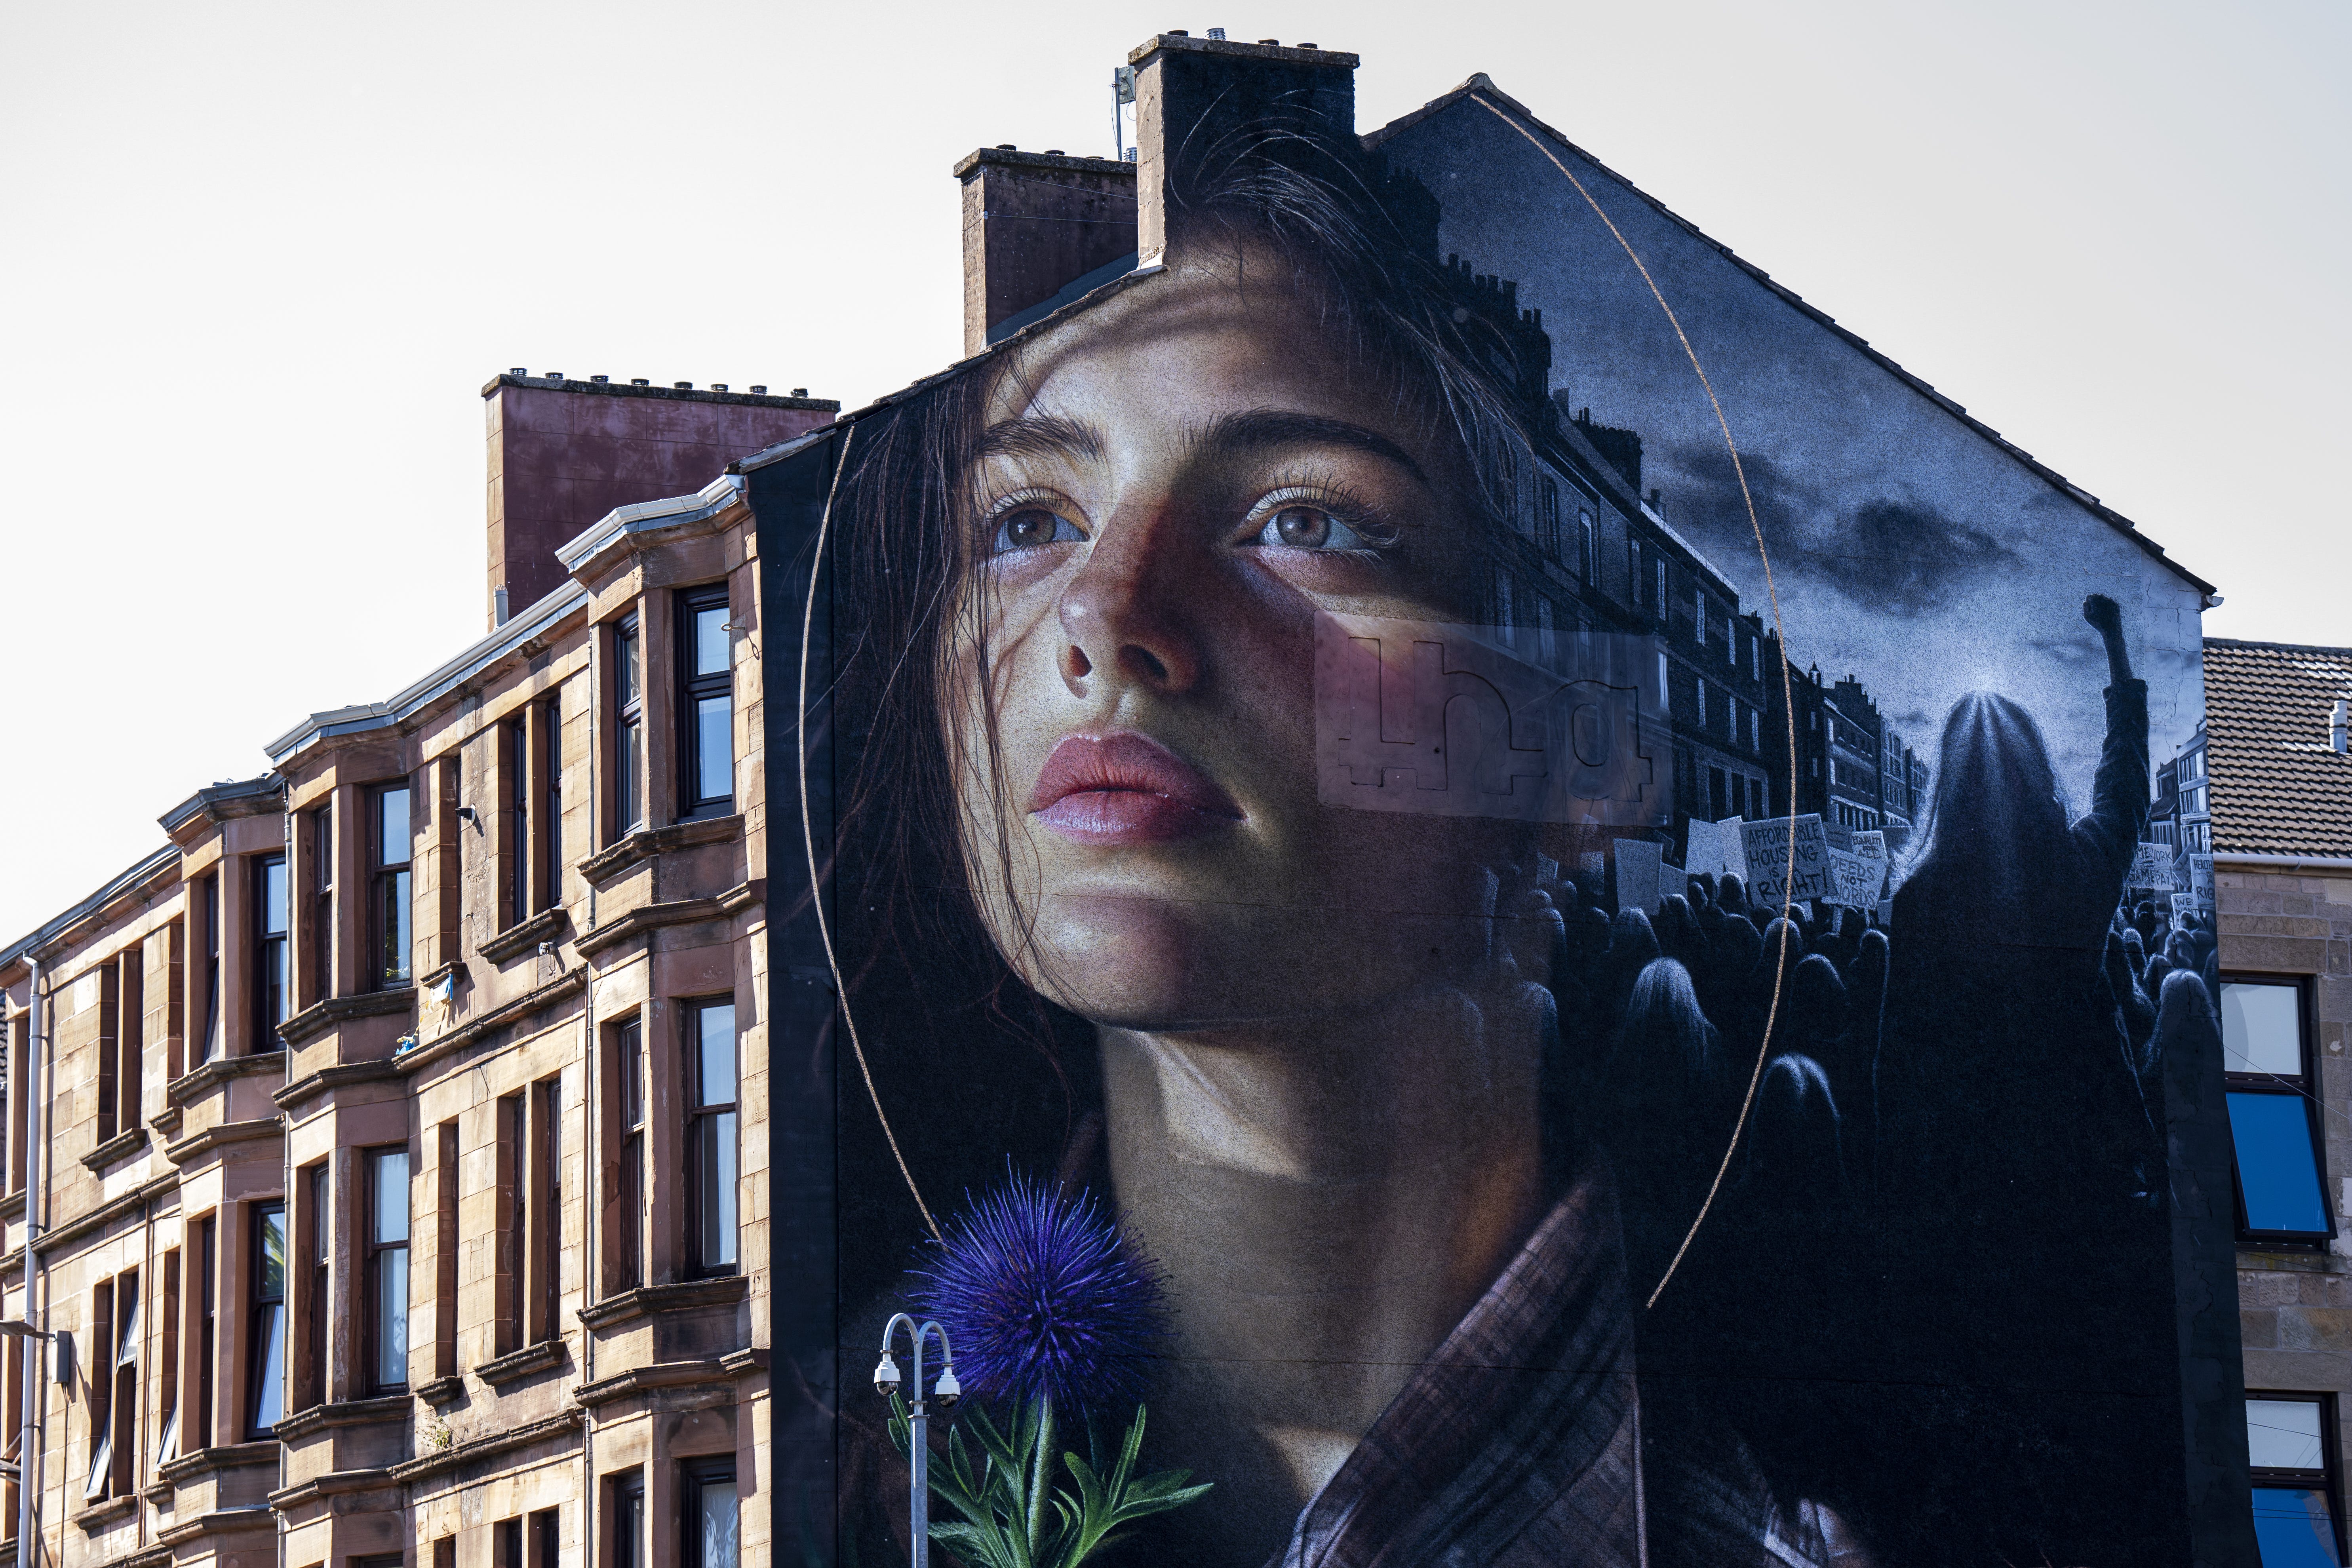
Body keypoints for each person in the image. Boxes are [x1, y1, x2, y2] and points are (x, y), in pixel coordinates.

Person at [820, 108, 2180, 1568]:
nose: (1103, 612)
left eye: (1304, 520)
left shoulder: (1810, 1487)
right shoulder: (846, 1450)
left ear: (1578, 744)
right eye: (1028, 517)